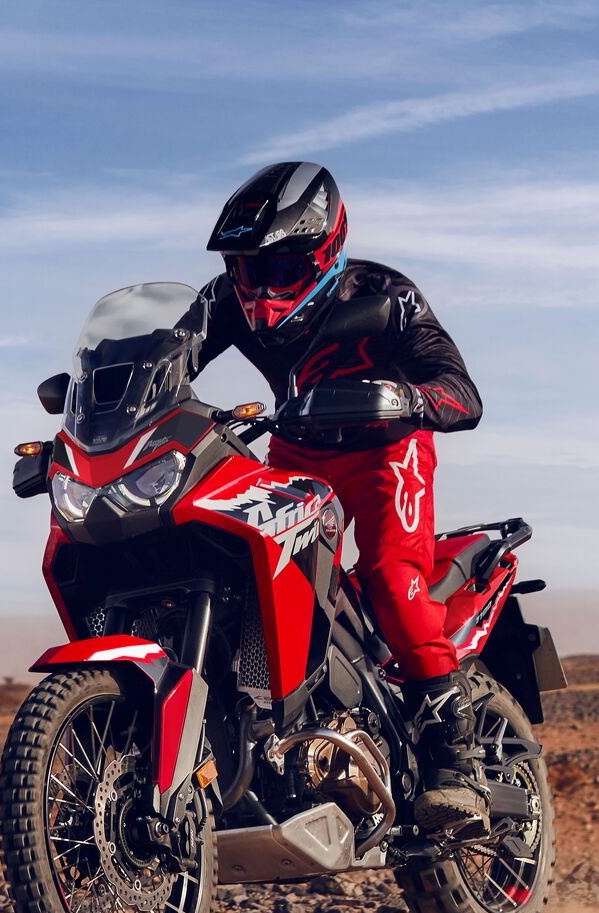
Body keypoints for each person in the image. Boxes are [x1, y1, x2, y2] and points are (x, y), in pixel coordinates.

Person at [197, 161, 488, 833]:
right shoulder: (224, 300)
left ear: (327, 251)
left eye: (283, 271)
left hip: (389, 448)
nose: (262, 290)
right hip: (297, 447)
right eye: (248, 271)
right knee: (251, 575)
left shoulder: (388, 294)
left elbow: (462, 391)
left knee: (388, 576)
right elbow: (169, 354)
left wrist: (412, 398)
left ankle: (457, 763)